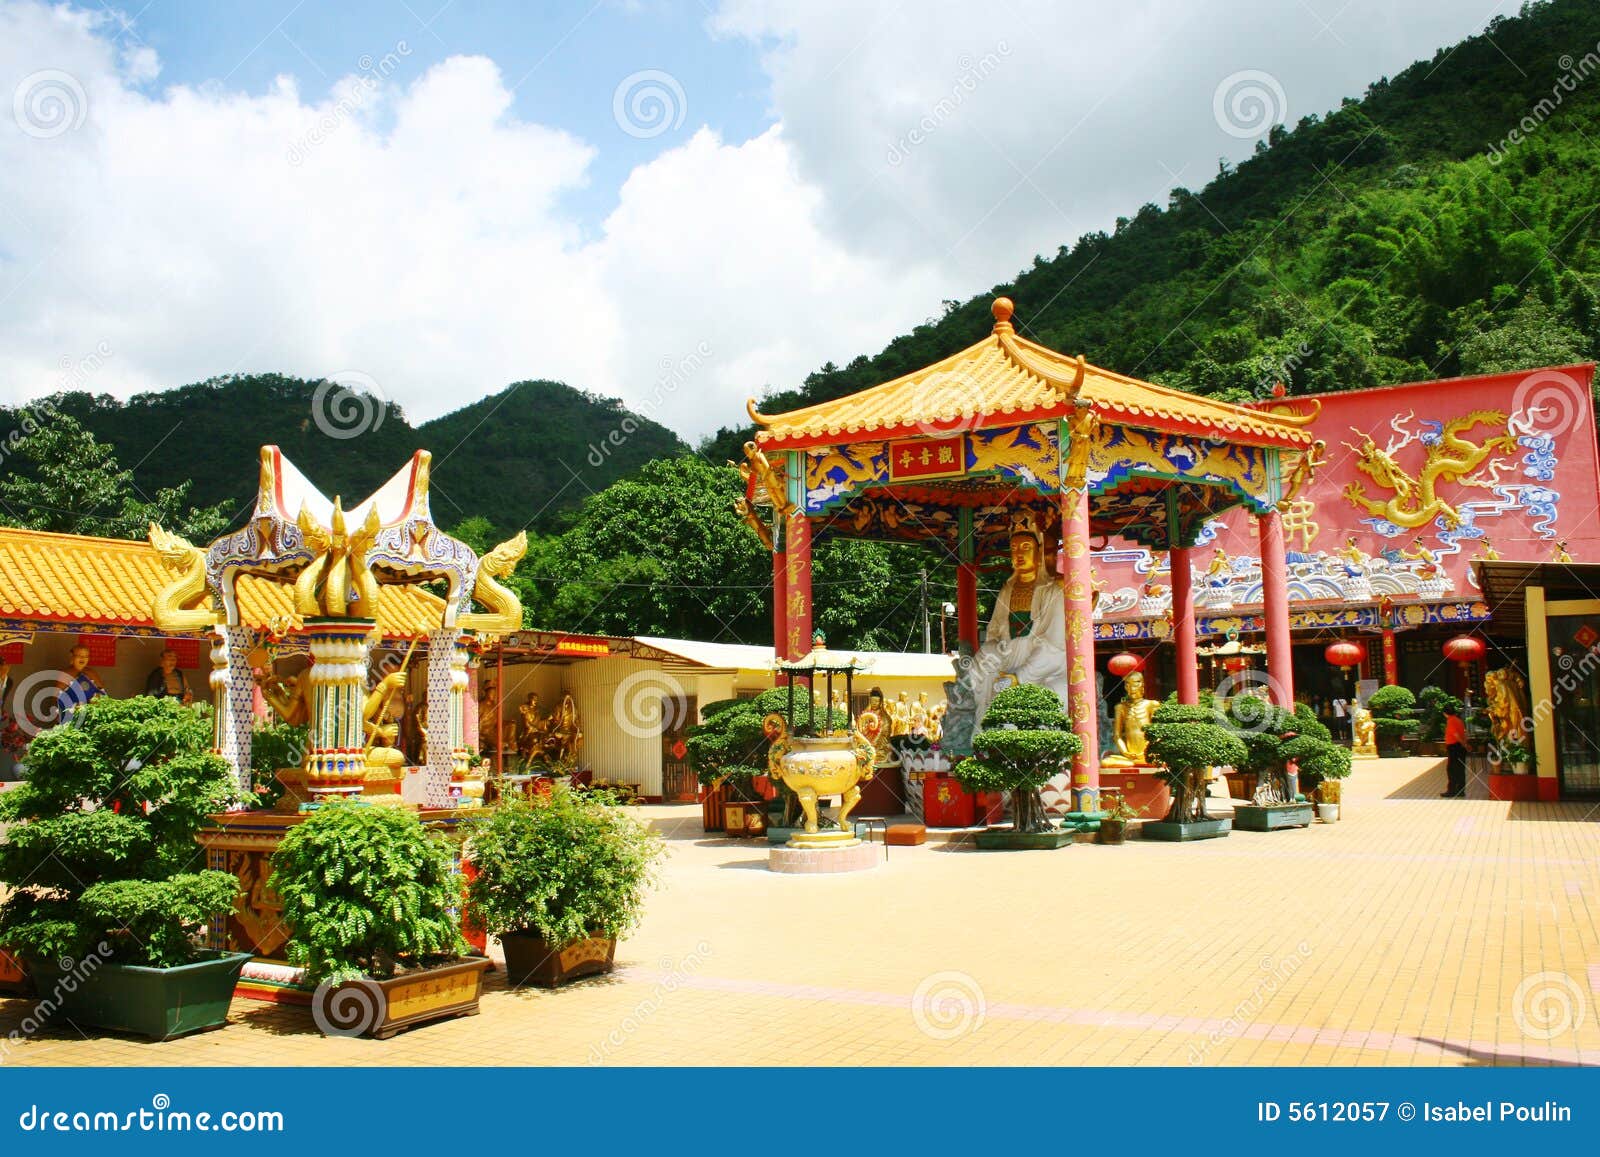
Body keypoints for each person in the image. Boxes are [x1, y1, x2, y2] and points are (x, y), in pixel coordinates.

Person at [1442, 704, 1470, 798]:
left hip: (1454, 747)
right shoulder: (1459, 720)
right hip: (1460, 748)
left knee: (1452, 769)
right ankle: (1461, 791)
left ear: (1445, 713)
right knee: (1460, 769)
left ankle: (1452, 791)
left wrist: (1463, 744)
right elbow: (1464, 732)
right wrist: (1465, 744)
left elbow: (1456, 735)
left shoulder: (1451, 721)